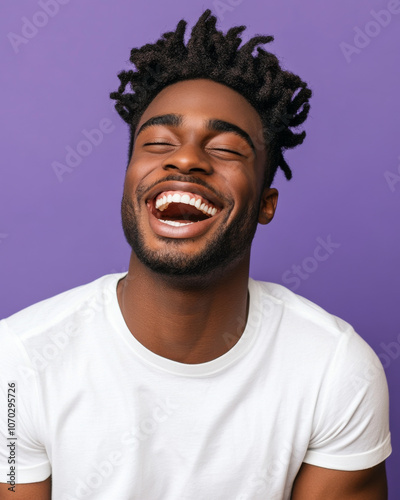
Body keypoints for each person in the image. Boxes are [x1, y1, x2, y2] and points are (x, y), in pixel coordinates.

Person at [0, 10, 391, 500]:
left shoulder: (334, 370)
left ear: (266, 204)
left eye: (225, 149)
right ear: (128, 185)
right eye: (159, 142)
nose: (184, 159)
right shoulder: (18, 363)